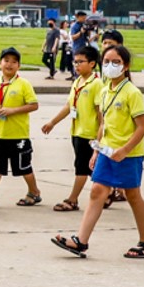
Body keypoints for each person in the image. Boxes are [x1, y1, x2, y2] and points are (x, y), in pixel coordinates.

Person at [51, 43, 144, 260]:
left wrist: (125, 150)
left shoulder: (131, 93)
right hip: (107, 151)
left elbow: (142, 127)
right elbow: (103, 124)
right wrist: (96, 151)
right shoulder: (105, 91)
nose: (110, 66)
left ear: (126, 66)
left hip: (128, 153)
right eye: (107, 62)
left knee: (133, 195)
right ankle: (81, 240)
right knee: (97, 191)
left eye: (116, 62)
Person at [41, 44, 102, 210]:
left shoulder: (96, 84)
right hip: (77, 131)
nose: (76, 65)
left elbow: (100, 114)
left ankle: (73, 199)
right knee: (92, 168)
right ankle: (109, 193)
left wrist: (99, 137)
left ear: (92, 63)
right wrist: (52, 122)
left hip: (89, 134)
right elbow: (69, 106)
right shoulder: (77, 82)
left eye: (81, 62)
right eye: (75, 62)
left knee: (82, 168)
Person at [0, 47, 42, 208]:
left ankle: (34, 191)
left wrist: (13, 111)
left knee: (23, 167)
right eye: (6, 61)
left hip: (18, 135)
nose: (9, 64)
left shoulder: (23, 84)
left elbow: (34, 105)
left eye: (14, 62)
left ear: (19, 66)